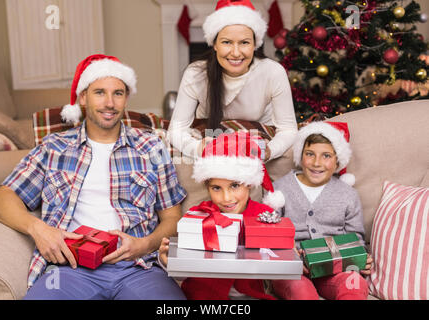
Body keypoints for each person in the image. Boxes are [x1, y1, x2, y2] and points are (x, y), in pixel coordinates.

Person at [0, 54, 188, 300]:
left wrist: (145, 244)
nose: (109, 103)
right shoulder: (54, 147)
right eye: (99, 92)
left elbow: (172, 217)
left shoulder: (151, 146)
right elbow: (1, 199)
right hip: (68, 268)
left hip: (139, 268)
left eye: (118, 93)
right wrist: (38, 229)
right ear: (83, 97)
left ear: (126, 98)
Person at [158, 131, 285, 300]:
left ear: (249, 184)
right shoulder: (199, 216)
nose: (226, 198)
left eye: (234, 186)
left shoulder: (264, 215)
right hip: (203, 296)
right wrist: (169, 263)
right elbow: (185, 270)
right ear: (207, 187)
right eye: (216, 188)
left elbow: (279, 258)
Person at [167, 0, 297, 160]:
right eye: (227, 42)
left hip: (257, 138)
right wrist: (199, 149)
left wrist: (269, 151)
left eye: (244, 43)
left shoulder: (272, 72)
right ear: (214, 44)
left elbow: (288, 129)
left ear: (255, 44)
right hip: (211, 136)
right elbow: (177, 130)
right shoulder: (196, 73)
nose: (236, 53)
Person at [270, 121, 374, 300]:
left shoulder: (348, 195)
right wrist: (288, 254)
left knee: (355, 284)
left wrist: (360, 257)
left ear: (337, 161)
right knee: (301, 292)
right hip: (293, 271)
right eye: (310, 154)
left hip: (335, 270)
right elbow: (269, 234)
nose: (317, 163)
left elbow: (355, 238)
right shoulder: (280, 189)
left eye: (326, 156)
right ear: (300, 155)